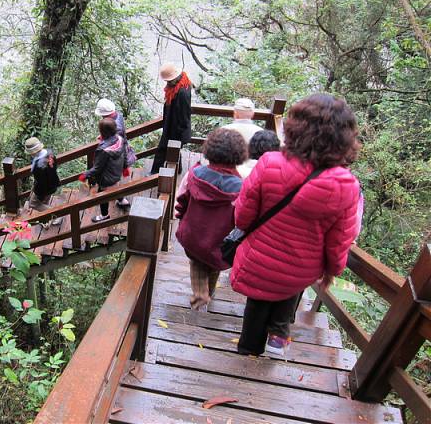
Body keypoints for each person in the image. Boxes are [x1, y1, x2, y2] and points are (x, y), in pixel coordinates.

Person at [231, 93, 360, 357]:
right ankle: (278, 339)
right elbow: (339, 241)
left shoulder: (269, 163)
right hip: (303, 266)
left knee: (258, 301)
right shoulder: (347, 186)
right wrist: (333, 271)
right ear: (344, 138)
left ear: (294, 127)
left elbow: (242, 218)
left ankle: (247, 352)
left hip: (260, 258)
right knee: (288, 289)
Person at [175, 128, 247, 311]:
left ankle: (200, 293)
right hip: (219, 241)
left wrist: (180, 216)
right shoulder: (242, 188)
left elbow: (182, 200)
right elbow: (243, 218)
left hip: (193, 233)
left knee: (196, 261)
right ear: (239, 155)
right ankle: (209, 293)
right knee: (213, 265)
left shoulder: (195, 174)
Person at [80, 118, 125, 222]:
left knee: (102, 196)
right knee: (115, 186)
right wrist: (104, 140)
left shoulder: (103, 150)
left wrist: (85, 175)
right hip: (117, 171)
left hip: (106, 178)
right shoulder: (119, 139)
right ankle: (122, 200)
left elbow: (97, 168)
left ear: (102, 132)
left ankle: (104, 216)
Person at [150, 63, 192, 174]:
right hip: (171, 125)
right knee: (174, 151)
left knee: (162, 150)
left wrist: (178, 135)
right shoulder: (180, 85)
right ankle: (178, 170)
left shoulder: (182, 92)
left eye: (168, 81)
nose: (167, 83)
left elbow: (184, 114)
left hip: (176, 129)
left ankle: (154, 173)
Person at [95, 98, 131, 208]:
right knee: (114, 181)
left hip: (112, 159)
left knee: (103, 187)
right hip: (118, 158)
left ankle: (104, 215)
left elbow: (113, 144)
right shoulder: (118, 115)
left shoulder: (117, 129)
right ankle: (121, 200)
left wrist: (102, 142)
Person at [24, 137, 62, 226]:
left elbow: (40, 182)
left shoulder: (39, 166)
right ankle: (47, 218)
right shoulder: (50, 153)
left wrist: (35, 193)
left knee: (33, 204)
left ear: (34, 152)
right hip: (54, 183)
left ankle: (57, 214)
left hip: (44, 188)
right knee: (44, 203)